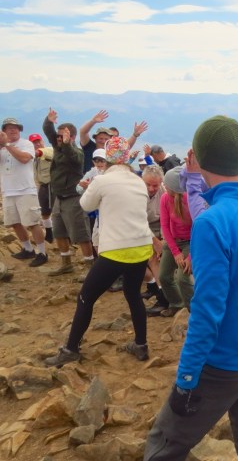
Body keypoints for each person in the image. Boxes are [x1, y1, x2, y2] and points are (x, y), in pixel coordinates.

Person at [144, 115, 238, 461]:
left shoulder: (211, 222)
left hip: (223, 360)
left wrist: (187, 378)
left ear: (195, 157)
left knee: (162, 445)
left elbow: (208, 310)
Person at [44, 136, 154, 368]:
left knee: (86, 298)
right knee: (133, 295)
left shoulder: (102, 180)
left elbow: (85, 205)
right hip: (141, 246)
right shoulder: (138, 181)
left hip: (115, 249)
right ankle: (141, 345)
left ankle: (71, 349)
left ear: (108, 157)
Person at [42, 108, 95, 275]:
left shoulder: (77, 152)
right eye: (58, 136)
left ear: (72, 137)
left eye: (62, 136)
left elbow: (72, 155)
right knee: (59, 231)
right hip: (59, 197)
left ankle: (89, 268)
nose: (58, 139)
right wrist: (49, 121)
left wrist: (66, 144)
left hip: (74, 198)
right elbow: (48, 132)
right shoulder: (58, 147)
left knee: (80, 233)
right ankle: (66, 263)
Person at [0, 118, 48, 267]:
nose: (12, 130)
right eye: (8, 128)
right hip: (8, 190)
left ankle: (42, 252)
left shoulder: (26, 144)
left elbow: (24, 158)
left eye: (15, 128)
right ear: (4, 131)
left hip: (26, 189)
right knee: (14, 222)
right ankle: (28, 249)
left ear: (20, 130)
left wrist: (7, 144)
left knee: (32, 222)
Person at [157, 166, 194, 317]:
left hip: (191, 242)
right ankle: (177, 304)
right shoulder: (165, 198)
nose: (164, 186)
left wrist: (190, 256)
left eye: (166, 184)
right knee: (164, 276)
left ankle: (195, 311)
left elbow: (198, 229)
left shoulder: (190, 200)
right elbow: (165, 226)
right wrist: (175, 251)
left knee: (183, 278)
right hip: (174, 241)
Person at [79, 110, 149, 173]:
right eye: (100, 138)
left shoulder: (112, 153)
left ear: (110, 140)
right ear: (95, 138)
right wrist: (93, 121)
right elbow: (83, 132)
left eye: (106, 139)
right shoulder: (88, 147)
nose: (103, 141)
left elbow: (125, 147)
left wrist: (135, 135)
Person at [141, 165, 168, 315]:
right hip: (140, 226)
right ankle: (154, 287)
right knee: (149, 257)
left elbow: (167, 216)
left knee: (155, 259)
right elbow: (140, 221)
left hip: (161, 225)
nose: (151, 189)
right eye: (148, 184)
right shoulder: (136, 192)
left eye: (155, 185)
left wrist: (164, 240)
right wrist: (155, 242)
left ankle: (163, 298)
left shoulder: (164, 191)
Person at [30, 133, 55, 243]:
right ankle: (49, 233)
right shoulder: (34, 159)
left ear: (42, 141)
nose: (37, 144)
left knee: (58, 211)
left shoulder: (49, 150)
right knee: (44, 212)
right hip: (43, 186)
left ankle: (66, 235)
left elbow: (39, 152)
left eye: (38, 141)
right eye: (34, 142)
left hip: (53, 185)